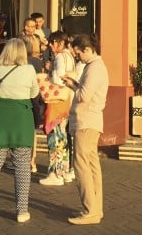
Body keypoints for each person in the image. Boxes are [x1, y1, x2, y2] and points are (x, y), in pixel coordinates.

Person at [0, 38, 39, 223]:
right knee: (22, 168)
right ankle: (22, 211)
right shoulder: (29, 69)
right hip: (21, 120)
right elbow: (34, 94)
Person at [63, 33, 109, 226]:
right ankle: (95, 208)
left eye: (78, 53)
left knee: (81, 166)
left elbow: (84, 95)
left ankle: (90, 210)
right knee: (91, 165)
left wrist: (73, 85)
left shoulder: (94, 68)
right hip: (92, 121)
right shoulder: (96, 66)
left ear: (87, 50)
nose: (77, 57)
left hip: (86, 121)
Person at [40, 31, 75, 186]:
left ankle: (55, 172)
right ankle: (65, 171)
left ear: (60, 43)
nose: (50, 45)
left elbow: (58, 78)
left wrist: (50, 70)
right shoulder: (69, 56)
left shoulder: (60, 57)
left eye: (53, 42)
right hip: (66, 102)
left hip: (57, 102)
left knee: (55, 138)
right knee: (63, 138)